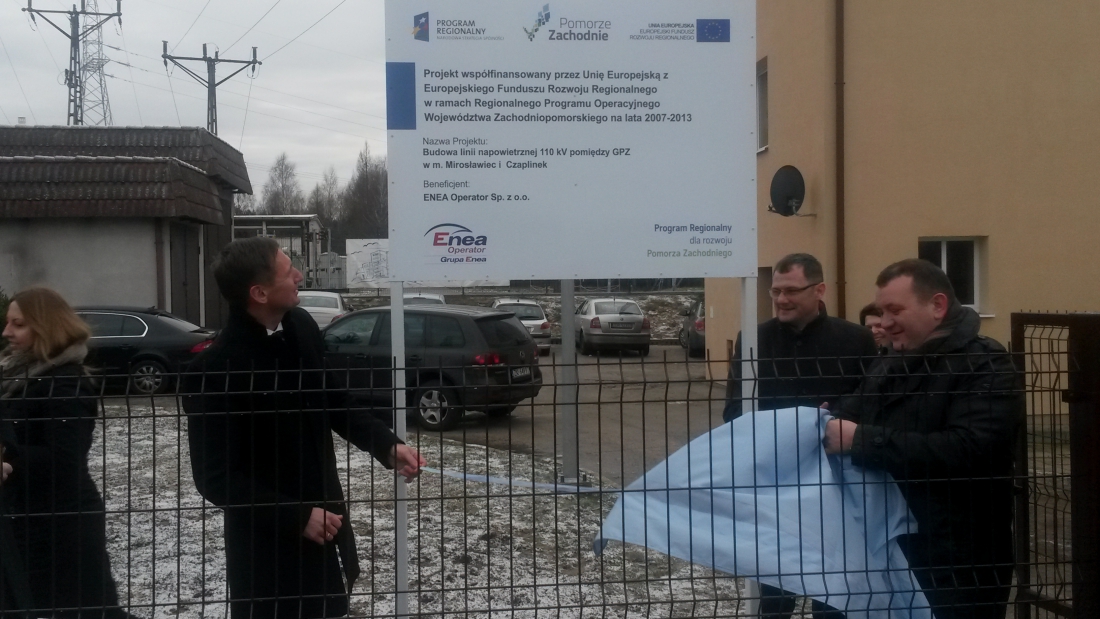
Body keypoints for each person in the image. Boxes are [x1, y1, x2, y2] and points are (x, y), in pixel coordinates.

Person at [183, 238, 425, 619]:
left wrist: (386, 445)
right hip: (265, 547)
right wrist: (295, 517)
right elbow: (215, 478)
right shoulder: (214, 371)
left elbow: (335, 401)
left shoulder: (302, 327)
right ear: (259, 293)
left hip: (324, 523)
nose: (299, 275)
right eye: (287, 271)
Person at [824, 259, 1020, 619]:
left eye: (895, 310)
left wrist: (860, 440)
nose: (883, 322)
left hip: (958, 563)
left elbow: (971, 449)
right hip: (888, 549)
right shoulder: (891, 361)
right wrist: (820, 420)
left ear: (937, 306)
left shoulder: (985, 365)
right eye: (882, 311)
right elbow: (853, 409)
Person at [722, 253, 877, 619]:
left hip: (836, 483)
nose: (781, 299)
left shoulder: (855, 340)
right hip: (775, 483)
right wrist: (793, 428)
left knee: (835, 593)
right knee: (774, 595)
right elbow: (733, 410)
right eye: (776, 291)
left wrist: (831, 419)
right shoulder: (754, 339)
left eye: (791, 290)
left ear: (819, 290)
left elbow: (872, 401)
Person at [0, 287, 130, 618]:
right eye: (8, 323)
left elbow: (65, 458)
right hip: (29, 516)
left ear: (46, 327)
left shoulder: (65, 382)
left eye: (18, 324)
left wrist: (9, 460)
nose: (6, 332)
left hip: (63, 524)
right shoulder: (19, 374)